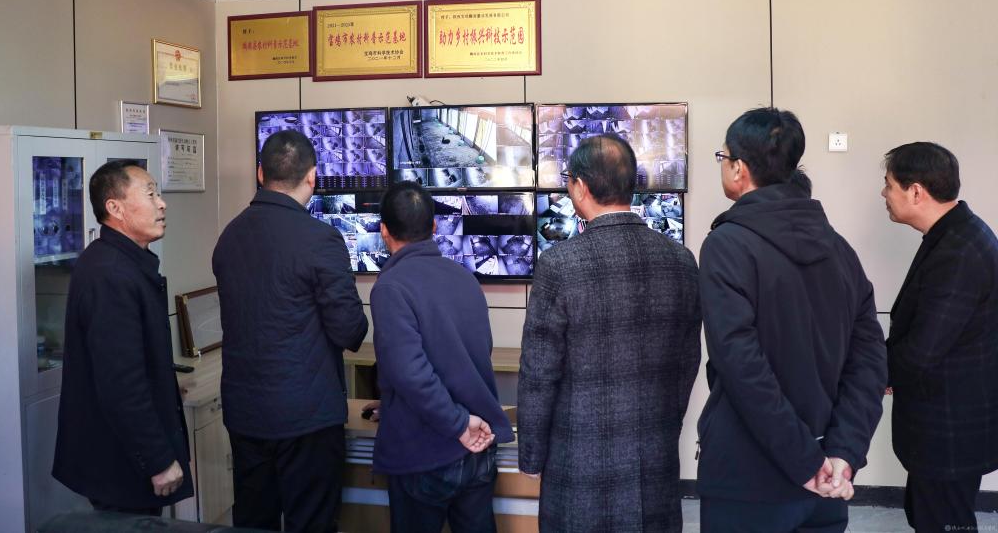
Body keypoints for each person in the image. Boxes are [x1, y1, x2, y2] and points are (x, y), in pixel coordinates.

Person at [698, 107, 887, 533]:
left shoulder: (727, 245)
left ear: (739, 169)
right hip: (827, 478)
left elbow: (741, 365)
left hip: (748, 477)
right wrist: (843, 453)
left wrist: (806, 462)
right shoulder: (841, 250)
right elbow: (870, 362)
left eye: (722, 156)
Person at [517, 134, 702, 532]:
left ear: (580, 187)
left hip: (578, 461)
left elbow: (539, 373)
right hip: (654, 455)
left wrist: (531, 455)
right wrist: (665, 424)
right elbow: (688, 362)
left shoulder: (559, 265)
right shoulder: (681, 260)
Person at [212, 130, 369, 532]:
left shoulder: (229, 236)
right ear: (313, 177)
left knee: (254, 521)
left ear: (260, 173)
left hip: (245, 414)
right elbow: (350, 331)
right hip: (306, 418)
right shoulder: (321, 239)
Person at [367, 181, 514, 532]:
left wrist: (458, 424)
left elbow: (411, 374)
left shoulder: (390, 287)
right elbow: (472, 355)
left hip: (427, 453)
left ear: (384, 231)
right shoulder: (465, 278)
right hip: (478, 449)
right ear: (434, 226)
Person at [53, 160, 192, 514]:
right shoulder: (110, 274)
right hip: (119, 463)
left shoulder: (123, 261)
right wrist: (159, 460)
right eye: (151, 194)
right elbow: (120, 383)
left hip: (124, 456)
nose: (162, 204)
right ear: (115, 208)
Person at [882, 142, 998, 532]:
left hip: (950, 429)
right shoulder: (955, 235)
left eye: (889, 185)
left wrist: (875, 374)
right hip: (947, 422)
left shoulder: (959, 250)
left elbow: (922, 350)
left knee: (942, 521)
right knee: (930, 515)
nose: (884, 194)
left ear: (916, 191)